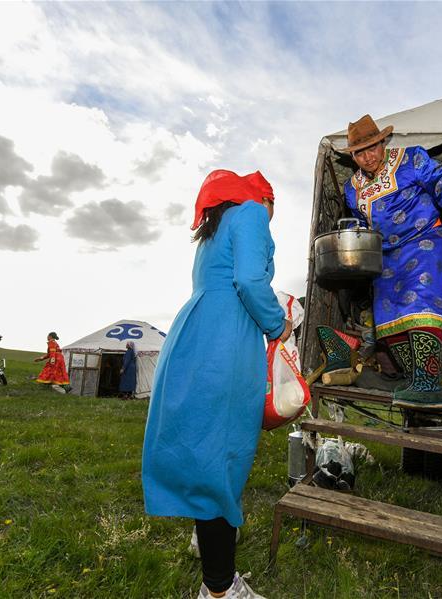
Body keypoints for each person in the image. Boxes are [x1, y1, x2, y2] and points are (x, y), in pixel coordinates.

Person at [142, 170, 291, 599]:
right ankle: (219, 588)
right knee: (223, 448)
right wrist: (277, 324)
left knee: (202, 441)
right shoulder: (251, 214)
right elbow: (248, 281)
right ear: (266, 199)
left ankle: (204, 532)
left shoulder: (214, 227)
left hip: (195, 337)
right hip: (226, 340)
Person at [340, 114, 442, 410]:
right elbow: (360, 225)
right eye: (359, 152)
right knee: (388, 318)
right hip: (385, 255)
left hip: (423, 241)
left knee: (421, 304)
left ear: (383, 143)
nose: (367, 157)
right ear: (352, 155)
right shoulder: (352, 188)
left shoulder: (411, 160)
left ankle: (429, 383)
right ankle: (414, 378)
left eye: (372, 147)